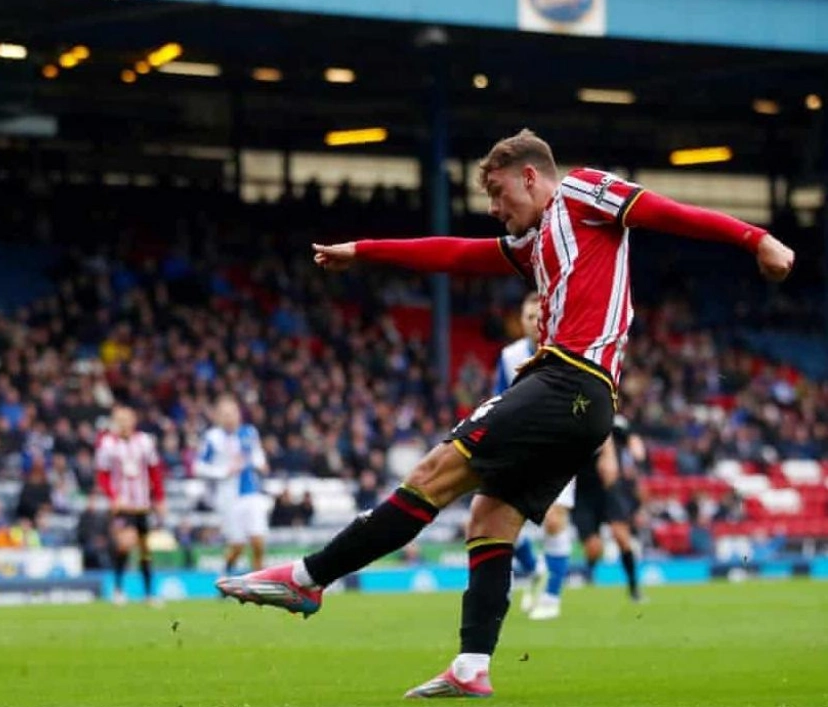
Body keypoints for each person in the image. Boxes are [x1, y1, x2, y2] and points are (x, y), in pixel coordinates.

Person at [215, 129, 794, 698]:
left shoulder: (585, 191)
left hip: (569, 378)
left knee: (433, 476)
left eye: (497, 193)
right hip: (584, 402)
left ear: (530, 176)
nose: (493, 208)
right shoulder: (536, 240)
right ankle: (471, 664)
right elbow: (457, 253)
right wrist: (364, 251)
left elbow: (666, 212)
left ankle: (309, 578)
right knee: (489, 518)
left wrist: (755, 239)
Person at [495, 292, 577, 621]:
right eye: (528, 317)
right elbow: (501, 398)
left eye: (539, 316)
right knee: (503, 519)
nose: (534, 322)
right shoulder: (509, 356)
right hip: (521, 448)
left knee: (554, 520)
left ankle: (553, 596)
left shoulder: (567, 351)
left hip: (560, 446)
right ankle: (533, 566)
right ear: (521, 321)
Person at [94, 405, 166, 606]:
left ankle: (149, 593)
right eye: (120, 420)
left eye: (127, 419)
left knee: (144, 549)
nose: (124, 424)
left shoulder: (145, 441)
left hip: (142, 504)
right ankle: (118, 589)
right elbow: (102, 475)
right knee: (125, 544)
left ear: (133, 420)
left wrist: (159, 498)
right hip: (122, 505)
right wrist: (112, 496)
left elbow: (154, 471)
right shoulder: (107, 444)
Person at [572, 414, 644, 603]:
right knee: (594, 548)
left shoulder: (615, 422)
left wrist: (634, 453)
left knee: (621, 536)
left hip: (609, 489)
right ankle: (589, 576)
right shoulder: (572, 421)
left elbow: (634, 443)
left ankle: (634, 588)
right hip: (583, 493)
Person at [195, 395, 270, 574]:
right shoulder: (212, 438)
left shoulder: (249, 432)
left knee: (258, 540)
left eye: (232, 413)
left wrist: (261, 463)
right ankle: (225, 574)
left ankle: (258, 584)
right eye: (225, 414)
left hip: (251, 492)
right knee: (238, 545)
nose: (229, 418)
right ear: (218, 417)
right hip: (229, 497)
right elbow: (199, 467)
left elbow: (256, 453)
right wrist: (223, 471)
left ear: (239, 414)